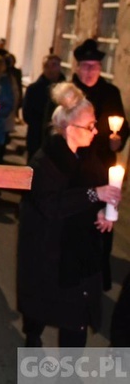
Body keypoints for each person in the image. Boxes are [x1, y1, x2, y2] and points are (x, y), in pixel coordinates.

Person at [17, 82, 120, 347]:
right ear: (68, 128)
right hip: (51, 252)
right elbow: (51, 204)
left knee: (76, 320)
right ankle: (33, 339)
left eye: (95, 124)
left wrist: (103, 212)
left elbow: (98, 191)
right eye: (90, 126)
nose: (95, 131)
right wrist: (93, 195)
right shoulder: (45, 160)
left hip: (79, 254)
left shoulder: (89, 156)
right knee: (43, 305)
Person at [71, 39, 129, 291]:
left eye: (94, 66)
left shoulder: (110, 93)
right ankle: (72, 271)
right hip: (74, 168)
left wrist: (119, 140)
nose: (89, 71)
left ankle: (98, 274)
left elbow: (123, 128)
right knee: (75, 217)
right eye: (85, 66)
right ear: (77, 67)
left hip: (103, 168)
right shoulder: (69, 93)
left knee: (104, 220)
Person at [22, 54, 66, 160]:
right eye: (47, 66)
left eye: (54, 65)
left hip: (58, 141)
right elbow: (27, 115)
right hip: (36, 139)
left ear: (60, 67)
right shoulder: (33, 89)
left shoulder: (66, 91)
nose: (50, 69)